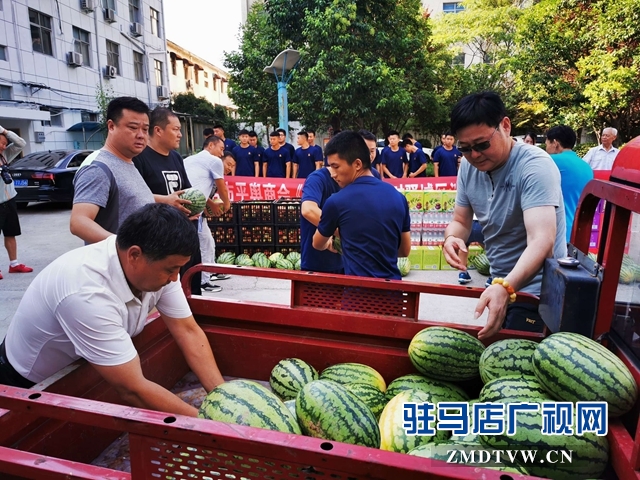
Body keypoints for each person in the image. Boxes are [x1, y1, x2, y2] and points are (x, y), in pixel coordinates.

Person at [1, 203, 225, 417]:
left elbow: (188, 332)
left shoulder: (157, 266)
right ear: (135, 255)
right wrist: (212, 427)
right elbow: (133, 389)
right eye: (171, 269)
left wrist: (224, 401)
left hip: (82, 368)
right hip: (25, 385)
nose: (175, 277)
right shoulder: (86, 292)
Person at [442, 91, 566, 340]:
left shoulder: (534, 166)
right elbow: (460, 221)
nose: (474, 155)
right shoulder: (468, 166)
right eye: (465, 148)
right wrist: (452, 238)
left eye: (482, 145)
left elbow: (542, 241)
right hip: (500, 283)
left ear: (505, 126)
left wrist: (506, 286)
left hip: (538, 293)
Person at [313, 131, 411, 279]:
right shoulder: (399, 198)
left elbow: (317, 243)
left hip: (357, 297)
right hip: (393, 296)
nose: (333, 174)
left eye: (336, 166)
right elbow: (404, 250)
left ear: (357, 164)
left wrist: (340, 244)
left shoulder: (336, 201)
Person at [132, 107, 202, 296]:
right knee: (165, 291)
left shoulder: (176, 157)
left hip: (184, 232)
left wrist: (199, 206)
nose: (180, 134)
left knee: (190, 284)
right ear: (158, 131)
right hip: (157, 239)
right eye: (176, 129)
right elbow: (134, 195)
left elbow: (186, 190)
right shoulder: (140, 158)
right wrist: (166, 201)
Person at [71, 97, 154, 244]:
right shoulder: (98, 169)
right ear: (111, 126)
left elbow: (125, 197)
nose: (141, 135)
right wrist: (123, 246)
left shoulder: (127, 162)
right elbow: (78, 222)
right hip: (113, 263)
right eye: (133, 128)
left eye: (145, 129)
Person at [184, 136, 232, 292]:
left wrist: (209, 203)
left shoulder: (190, 160)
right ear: (211, 145)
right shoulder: (214, 161)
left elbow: (195, 185)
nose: (221, 153)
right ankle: (203, 281)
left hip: (186, 206)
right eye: (221, 148)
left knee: (207, 243)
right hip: (194, 210)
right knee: (203, 245)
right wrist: (227, 204)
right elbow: (222, 187)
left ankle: (208, 274)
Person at [545, 125, 594, 242]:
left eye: (547, 144)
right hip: (579, 234)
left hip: (557, 232)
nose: (546, 149)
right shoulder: (586, 167)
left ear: (555, 143)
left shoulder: (551, 161)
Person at [0, 126, 31, 278]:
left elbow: (20, 144)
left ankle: (14, 264)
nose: (4, 146)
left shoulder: (5, 155)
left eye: (6, 143)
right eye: (2, 143)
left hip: (10, 199)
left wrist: (4, 131)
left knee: (11, 233)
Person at [300, 167, 343, 274]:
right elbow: (308, 210)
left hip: (353, 263)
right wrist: (341, 232)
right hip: (319, 264)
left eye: (372, 151)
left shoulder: (369, 177)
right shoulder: (317, 178)